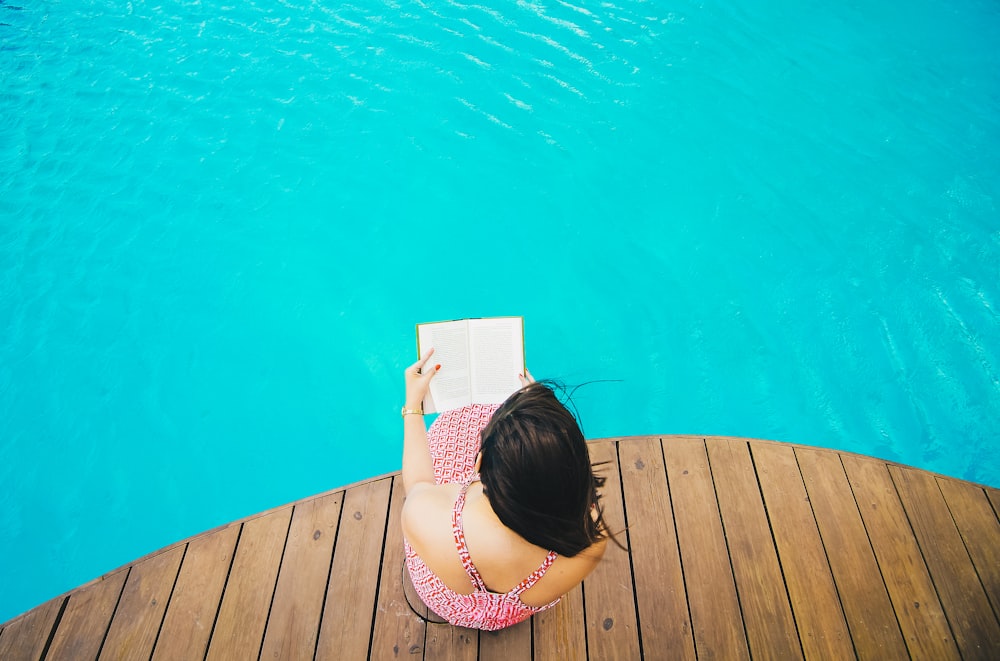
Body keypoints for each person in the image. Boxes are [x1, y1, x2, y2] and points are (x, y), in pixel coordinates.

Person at [400, 348, 611, 631]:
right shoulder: (592, 539)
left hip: (452, 595)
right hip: (524, 600)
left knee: (451, 426)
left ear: (479, 463)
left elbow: (418, 485)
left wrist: (412, 407)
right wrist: (541, 419)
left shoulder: (437, 527)